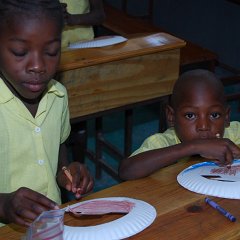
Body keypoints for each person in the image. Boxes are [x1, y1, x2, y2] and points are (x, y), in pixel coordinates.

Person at [0, 0, 94, 227]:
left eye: (51, 52)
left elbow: (57, 147)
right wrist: (3, 205)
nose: (38, 66)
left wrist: (65, 171)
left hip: (50, 225)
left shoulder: (58, 95)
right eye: (20, 52)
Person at [119, 69, 240, 180]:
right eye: (190, 115)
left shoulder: (234, 133)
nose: (204, 126)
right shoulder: (162, 143)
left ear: (226, 116)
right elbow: (126, 171)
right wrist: (194, 147)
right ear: (171, 116)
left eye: (214, 115)